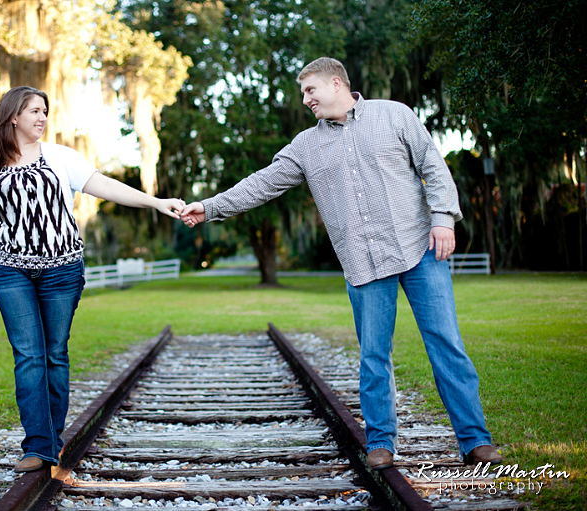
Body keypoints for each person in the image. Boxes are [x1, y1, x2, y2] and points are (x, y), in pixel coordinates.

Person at [181, 57, 501, 470]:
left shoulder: (394, 115)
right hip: (363, 261)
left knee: (446, 345)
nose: (305, 100)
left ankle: (475, 441)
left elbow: (433, 167)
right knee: (373, 355)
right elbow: (261, 183)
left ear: (336, 84)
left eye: (310, 91)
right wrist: (209, 208)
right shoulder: (306, 146)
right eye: (302, 94)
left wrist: (442, 219)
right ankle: (381, 443)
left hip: (419, 249)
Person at [0, 86, 185, 473]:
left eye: (45, 111)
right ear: (13, 116)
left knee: (54, 353)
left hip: (61, 270)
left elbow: (107, 187)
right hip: (10, 271)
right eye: (34, 111)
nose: (42, 118)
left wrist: (156, 202)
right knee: (27, 356)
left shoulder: (60, 157)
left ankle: (51, 441)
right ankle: (37, 447)